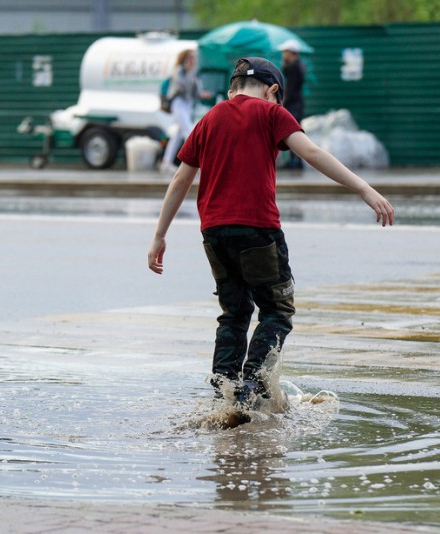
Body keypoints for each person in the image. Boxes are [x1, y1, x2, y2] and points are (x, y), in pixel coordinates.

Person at [147, 57, 394, 409]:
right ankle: (252, 386)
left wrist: (159, 235)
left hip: (214, 233)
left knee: (234, 312)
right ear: (273, 90)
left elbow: (180, 179)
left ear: (232, 89)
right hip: (258, 228)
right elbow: (311, 151)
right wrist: (364, 189)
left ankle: (225, 395)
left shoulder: (209, 119)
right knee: (276, 310)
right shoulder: (272, 113)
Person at [160, 49, 210, 174]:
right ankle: (202, 161)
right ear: (184, 59)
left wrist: (202, 94)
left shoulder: (193, 72)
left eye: (194, 58)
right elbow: (180, 87)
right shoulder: (180, 70)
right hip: (178, 102)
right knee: (189, 131)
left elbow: (196, 90)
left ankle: (166, 162)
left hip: (188, 104)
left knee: (177, 135)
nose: (193, 61)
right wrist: (188, 73)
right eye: (190, 58)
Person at [278, 39, 306, 169]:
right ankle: (295, 159)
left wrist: (283, 102)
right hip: (295, 103)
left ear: (291, 52)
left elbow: (291, 88)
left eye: (285, 52)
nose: (283, 54)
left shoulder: (295, 67)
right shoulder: (296, 65)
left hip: (294, 104)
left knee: (292, 131)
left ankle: (295, 160)